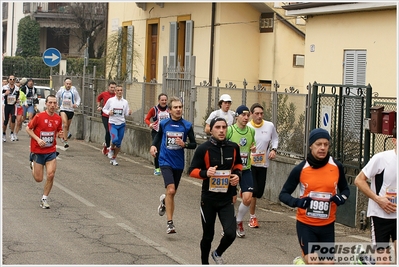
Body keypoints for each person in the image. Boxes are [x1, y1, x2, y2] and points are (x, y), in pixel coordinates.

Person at [279, 128, 350, 265]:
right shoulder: (301, 169)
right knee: (314, 261)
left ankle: (302, 261)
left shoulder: (336, 166)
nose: (322, 148)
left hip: (327, 225)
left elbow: (346, 190)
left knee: (329, 263)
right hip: (306, 225)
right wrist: (298, 202)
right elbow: (283, 195)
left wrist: (342, 198)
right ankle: (304, 260)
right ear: (311, 145)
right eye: (318, 144)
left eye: (326, 144)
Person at [189, 117, 242, 264]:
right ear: (211, 130)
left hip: (226, 199)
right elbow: (191, 171)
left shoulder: (233, 147)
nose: (221, 130)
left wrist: (237, 176)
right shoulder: (203, 148)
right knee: (208, 236)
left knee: (231, 234)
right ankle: (204, 263)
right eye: (218, 127)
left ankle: (217, 253)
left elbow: (238, 166)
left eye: (224, 127)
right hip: (209, 200)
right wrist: (206, 173)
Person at [150, 96, 197, 234]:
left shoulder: (187, 125)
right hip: (164, 160)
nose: (178, 109)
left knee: (172, 192)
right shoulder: (164, 124)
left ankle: (164, 201)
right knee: (170, 190)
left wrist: (185, 144)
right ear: (169, 110)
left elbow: (194, 144)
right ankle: (170, 223)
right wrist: (153, 146)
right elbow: (158, 137)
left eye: (180, 107)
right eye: (175, 107)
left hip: (178, 163)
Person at [354, 126, 397, 265]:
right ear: (394, 141)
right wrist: (378, 199)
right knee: (383, 262)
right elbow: (359, 180)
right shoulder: (381, 158)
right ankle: (366, 261)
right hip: (380, 217)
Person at [26, 94, 63, 209]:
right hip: (37, 151)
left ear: (57, 105)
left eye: (54, 103)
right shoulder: (39, 116)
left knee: (51, 174)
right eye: (50, 103)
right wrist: (37, 139)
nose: (52, 105)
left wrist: (60, 134)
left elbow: (58, 131)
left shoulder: (58, 118)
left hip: (51, 151)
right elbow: (28, 128)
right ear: (46, 104)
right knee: (39, 179)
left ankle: (44, 199)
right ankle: (32, 163)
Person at [226, 105, 256, 238]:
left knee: (248, 198)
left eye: (247, 115)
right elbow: (222, 146)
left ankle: (239, 220)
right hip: (231, 170)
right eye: (243, 115)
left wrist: (253, 148)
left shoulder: (251, 131)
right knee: (231, 200)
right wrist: (232, 148)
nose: (245, 117)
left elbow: (251, 145)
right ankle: (228, 224)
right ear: (237, 116)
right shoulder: (229, 130)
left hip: (246, 168)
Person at [247, 103, 279, 228]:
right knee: (254, 192)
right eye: (257, 114)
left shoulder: (269, 126)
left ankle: (246, 191)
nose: (259, 116)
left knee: (259, 193)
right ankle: (252, 217)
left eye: (261, 114)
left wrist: (273, 150)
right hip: (250, 164)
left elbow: (275, 139)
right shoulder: (248, 127)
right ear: (251, 114)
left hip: (263, 163)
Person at [102, 84, 132, 166]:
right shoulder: (111, 100)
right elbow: (104, 109)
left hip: (121, 123)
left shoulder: (125, 102)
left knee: (118, 143)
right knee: (115, 139)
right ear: (115, 92)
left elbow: (126, 113)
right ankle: (111, 148)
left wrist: (129, 113)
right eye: (118, 90)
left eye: (121, 90)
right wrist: (109, 112)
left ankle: (114, 158)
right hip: (112, 123)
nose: (119, 92)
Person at [145, 93, 169, 175]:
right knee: (157, 150)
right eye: (162, 100)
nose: (164, 101)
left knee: (166, 150)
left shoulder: (169, 109)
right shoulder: (154, 109)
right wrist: (150, 124)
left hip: (167, 132)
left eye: (165, 100)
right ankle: (157, 168)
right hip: (156, 132)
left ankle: (166, 167)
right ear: (159, 100)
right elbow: (147, 119)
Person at [55, 77, 81, 149]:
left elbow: (78, 98)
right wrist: (56, 104)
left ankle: (63, 137)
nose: (68, 85)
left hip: (71, 110)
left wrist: (76, 104)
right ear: (64, 84)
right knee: (65, 124)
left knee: (67, 127)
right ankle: (65, 141)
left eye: (70, 84)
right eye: (67, 84)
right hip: (63, 109)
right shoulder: (61, 90)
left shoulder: (74, 90)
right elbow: (57, 97)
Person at [96, 81, 116, 156]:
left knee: (111, 132)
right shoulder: (104, 94)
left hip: (113, 116)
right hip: (105, 115)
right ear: (108, 87)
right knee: (108, 131)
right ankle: (107, 147)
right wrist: (99, 106)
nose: (112, 89)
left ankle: (106, 144)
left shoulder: (116, 95)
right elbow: (98, 98)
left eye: (114, 88)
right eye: (111, 87)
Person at [2, 75, 20, 142]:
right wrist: (5, 94)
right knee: (6, 121)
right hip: (6, 105)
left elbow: (17, 96)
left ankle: (12, 133)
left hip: (13, 105)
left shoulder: (17, 88)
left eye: (13, 79)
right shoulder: (4, 87)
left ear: (14, 80)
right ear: (8, 80)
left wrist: (17, 101)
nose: (12, 81)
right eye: (10, 79)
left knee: (13, 119)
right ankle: (3, 134)